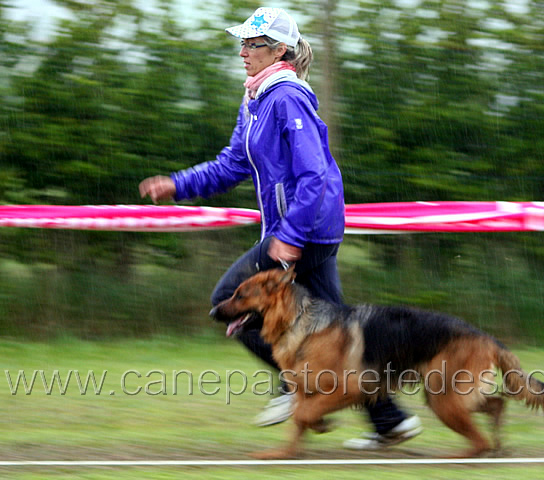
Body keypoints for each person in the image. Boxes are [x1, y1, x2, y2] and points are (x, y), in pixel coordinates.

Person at [138, 6, 422, 450]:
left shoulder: (287, 97)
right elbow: (232, 164)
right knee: (340, 331)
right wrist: (178, 183)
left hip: (302, 234)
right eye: (243, 43)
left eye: (252, 45)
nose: (242, 52)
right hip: (303, 232)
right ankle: (388, 420)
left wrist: (288, 236)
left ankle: (298, 384)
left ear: (279, 51)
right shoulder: (256, 98)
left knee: (228, 303)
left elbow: (315, 177)